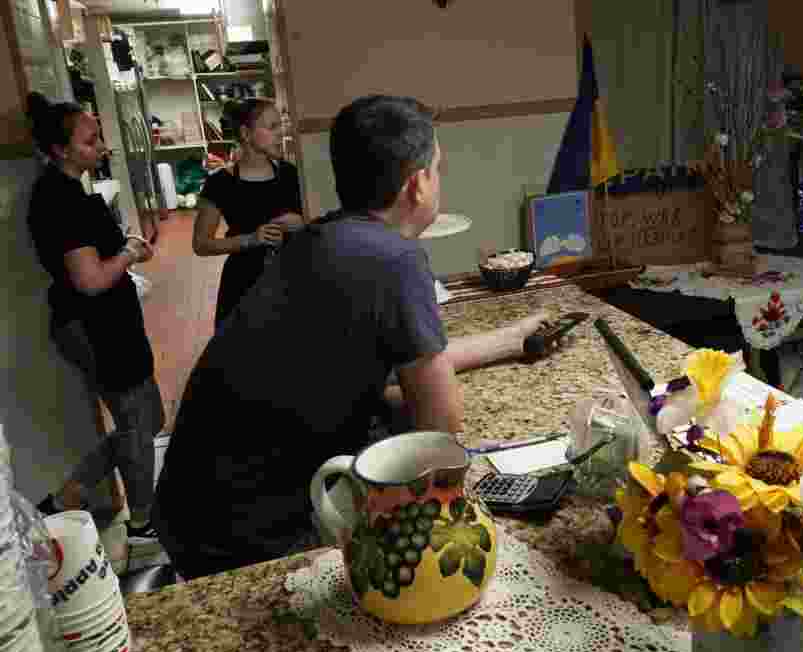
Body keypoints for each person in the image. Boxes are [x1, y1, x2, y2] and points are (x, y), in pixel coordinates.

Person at [152, 95, 553, 580]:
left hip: (187, 508)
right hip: (245, 536)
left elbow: (390, 374)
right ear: (419, 183)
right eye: (438, 168)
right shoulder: (394, 260)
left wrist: (513, 340)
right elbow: (439, 428)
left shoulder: (320, 239)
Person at [25, 92, 165, 543]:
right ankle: (144, 524)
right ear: (60, 150)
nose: (102, 146)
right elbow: (88, 281)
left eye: (98, 136)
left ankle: (66, 495)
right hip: (95, 329)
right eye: (90, 141)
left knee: (147, 421)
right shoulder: (59, 200)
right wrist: (128, 252)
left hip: (112, 324)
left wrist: (119, 250)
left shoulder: (69, 189)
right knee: (138, 426)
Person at [192, 98, 304, 329]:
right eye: (272, 127)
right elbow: (201, 244)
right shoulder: (220, 184)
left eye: (280, 126)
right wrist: (251, 239)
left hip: (293, 279)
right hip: (244, 284)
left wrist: (302, 223)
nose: (280, 133)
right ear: (246, 133)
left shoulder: (291, 175)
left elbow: (320, 226)